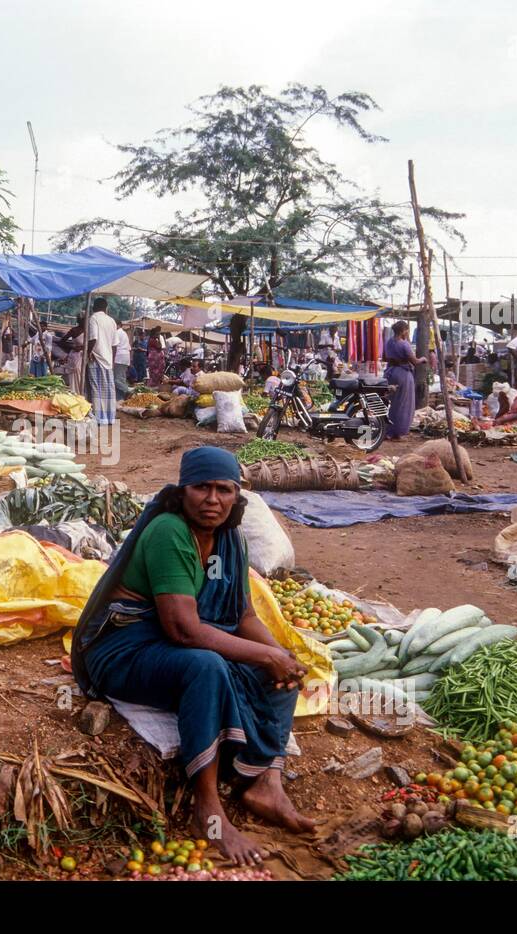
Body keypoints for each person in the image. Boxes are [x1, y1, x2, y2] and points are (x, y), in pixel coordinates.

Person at [71, 446, 314, 864]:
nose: (212, 499)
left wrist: (279, 655)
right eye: (202, 487)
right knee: (208, 665)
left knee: (278, 668)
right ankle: (207, 808)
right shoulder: (170, 532)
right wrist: (264, 655)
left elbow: (243, 615)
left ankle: (265, 784)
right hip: (125, 650)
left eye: (224, 489)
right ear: (183, 490)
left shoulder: (230, 541)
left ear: (237, 495)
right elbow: (183, 629)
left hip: (172, 643)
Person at [383, 320, 425, 440]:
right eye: (407, 330)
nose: (407, 332)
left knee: (393, 403)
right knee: (403, 404)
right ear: (403, 331)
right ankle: (398, 432)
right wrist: (423, 358)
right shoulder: (404, 344)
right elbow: (415, 361)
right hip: (403, 374)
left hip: (391, 373)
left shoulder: (389, 342)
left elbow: (386, 357)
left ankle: (389, 430)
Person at [86, 298, 117, 425]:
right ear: (106, 308)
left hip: (96, 357)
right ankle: (109, 418)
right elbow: (115, 345)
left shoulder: (93, 318)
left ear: (94, 307)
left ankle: (99, 418)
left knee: (95, 388)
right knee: (108, 390)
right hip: (108, 359)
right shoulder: (112, 321)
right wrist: (112, 360)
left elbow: (93, 338)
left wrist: (88, 353)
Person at [112, 322, 131, 399]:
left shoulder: (117, 333)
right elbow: (129, 348)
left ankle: (127, 391)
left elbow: (114, 346)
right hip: (125, 357)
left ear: (118, 325)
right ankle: (120, 397)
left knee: (117, 379)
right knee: (122, 378)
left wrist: (112, 358)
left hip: (119, 357)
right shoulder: (124, 333)